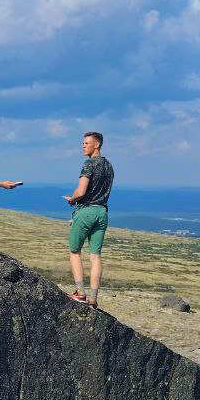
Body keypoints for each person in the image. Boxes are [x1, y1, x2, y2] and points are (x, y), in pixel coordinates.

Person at [64, 130, 115, 309]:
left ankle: (80, 293)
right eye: (83, 143)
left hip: (86, 212)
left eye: (87, 143)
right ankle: (93, 299)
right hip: (102, 213)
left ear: (97, 144)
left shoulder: (89, 164)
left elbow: (82, 191)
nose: (83, 145)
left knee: (74, 251)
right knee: (95, 255)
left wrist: (72, 199)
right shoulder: (109, 166)